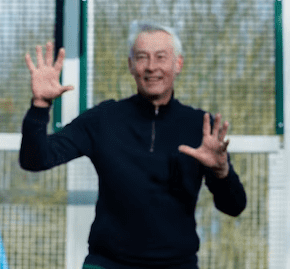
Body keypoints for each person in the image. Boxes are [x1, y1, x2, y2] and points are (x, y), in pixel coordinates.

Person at [19, 21, 247, 269]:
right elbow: (35, 159)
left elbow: (234, 206)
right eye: (142, 57)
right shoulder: (104, 119)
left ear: (177, 64)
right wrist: (40, 106)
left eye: (161, 57)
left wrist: (222, 171)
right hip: (107, 263)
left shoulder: (201, 128)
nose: (151, 67)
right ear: (131, 65)